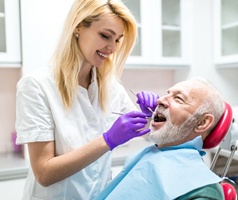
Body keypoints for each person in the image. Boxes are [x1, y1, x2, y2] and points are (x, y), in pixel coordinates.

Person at [15, 0, 159, 199]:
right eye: (105, 36)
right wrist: (107, 140)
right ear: (78, 27)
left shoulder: (110, 86)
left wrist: (152, 117)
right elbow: (44, 173)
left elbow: (147, 133)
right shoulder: (36, 86)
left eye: (117, 40)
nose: (112, 48)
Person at [97, 77, 226, 200]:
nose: (160, 100)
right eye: (167, 93)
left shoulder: (203, 191)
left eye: (178, 98)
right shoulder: (148, 155)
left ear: (202, 122)